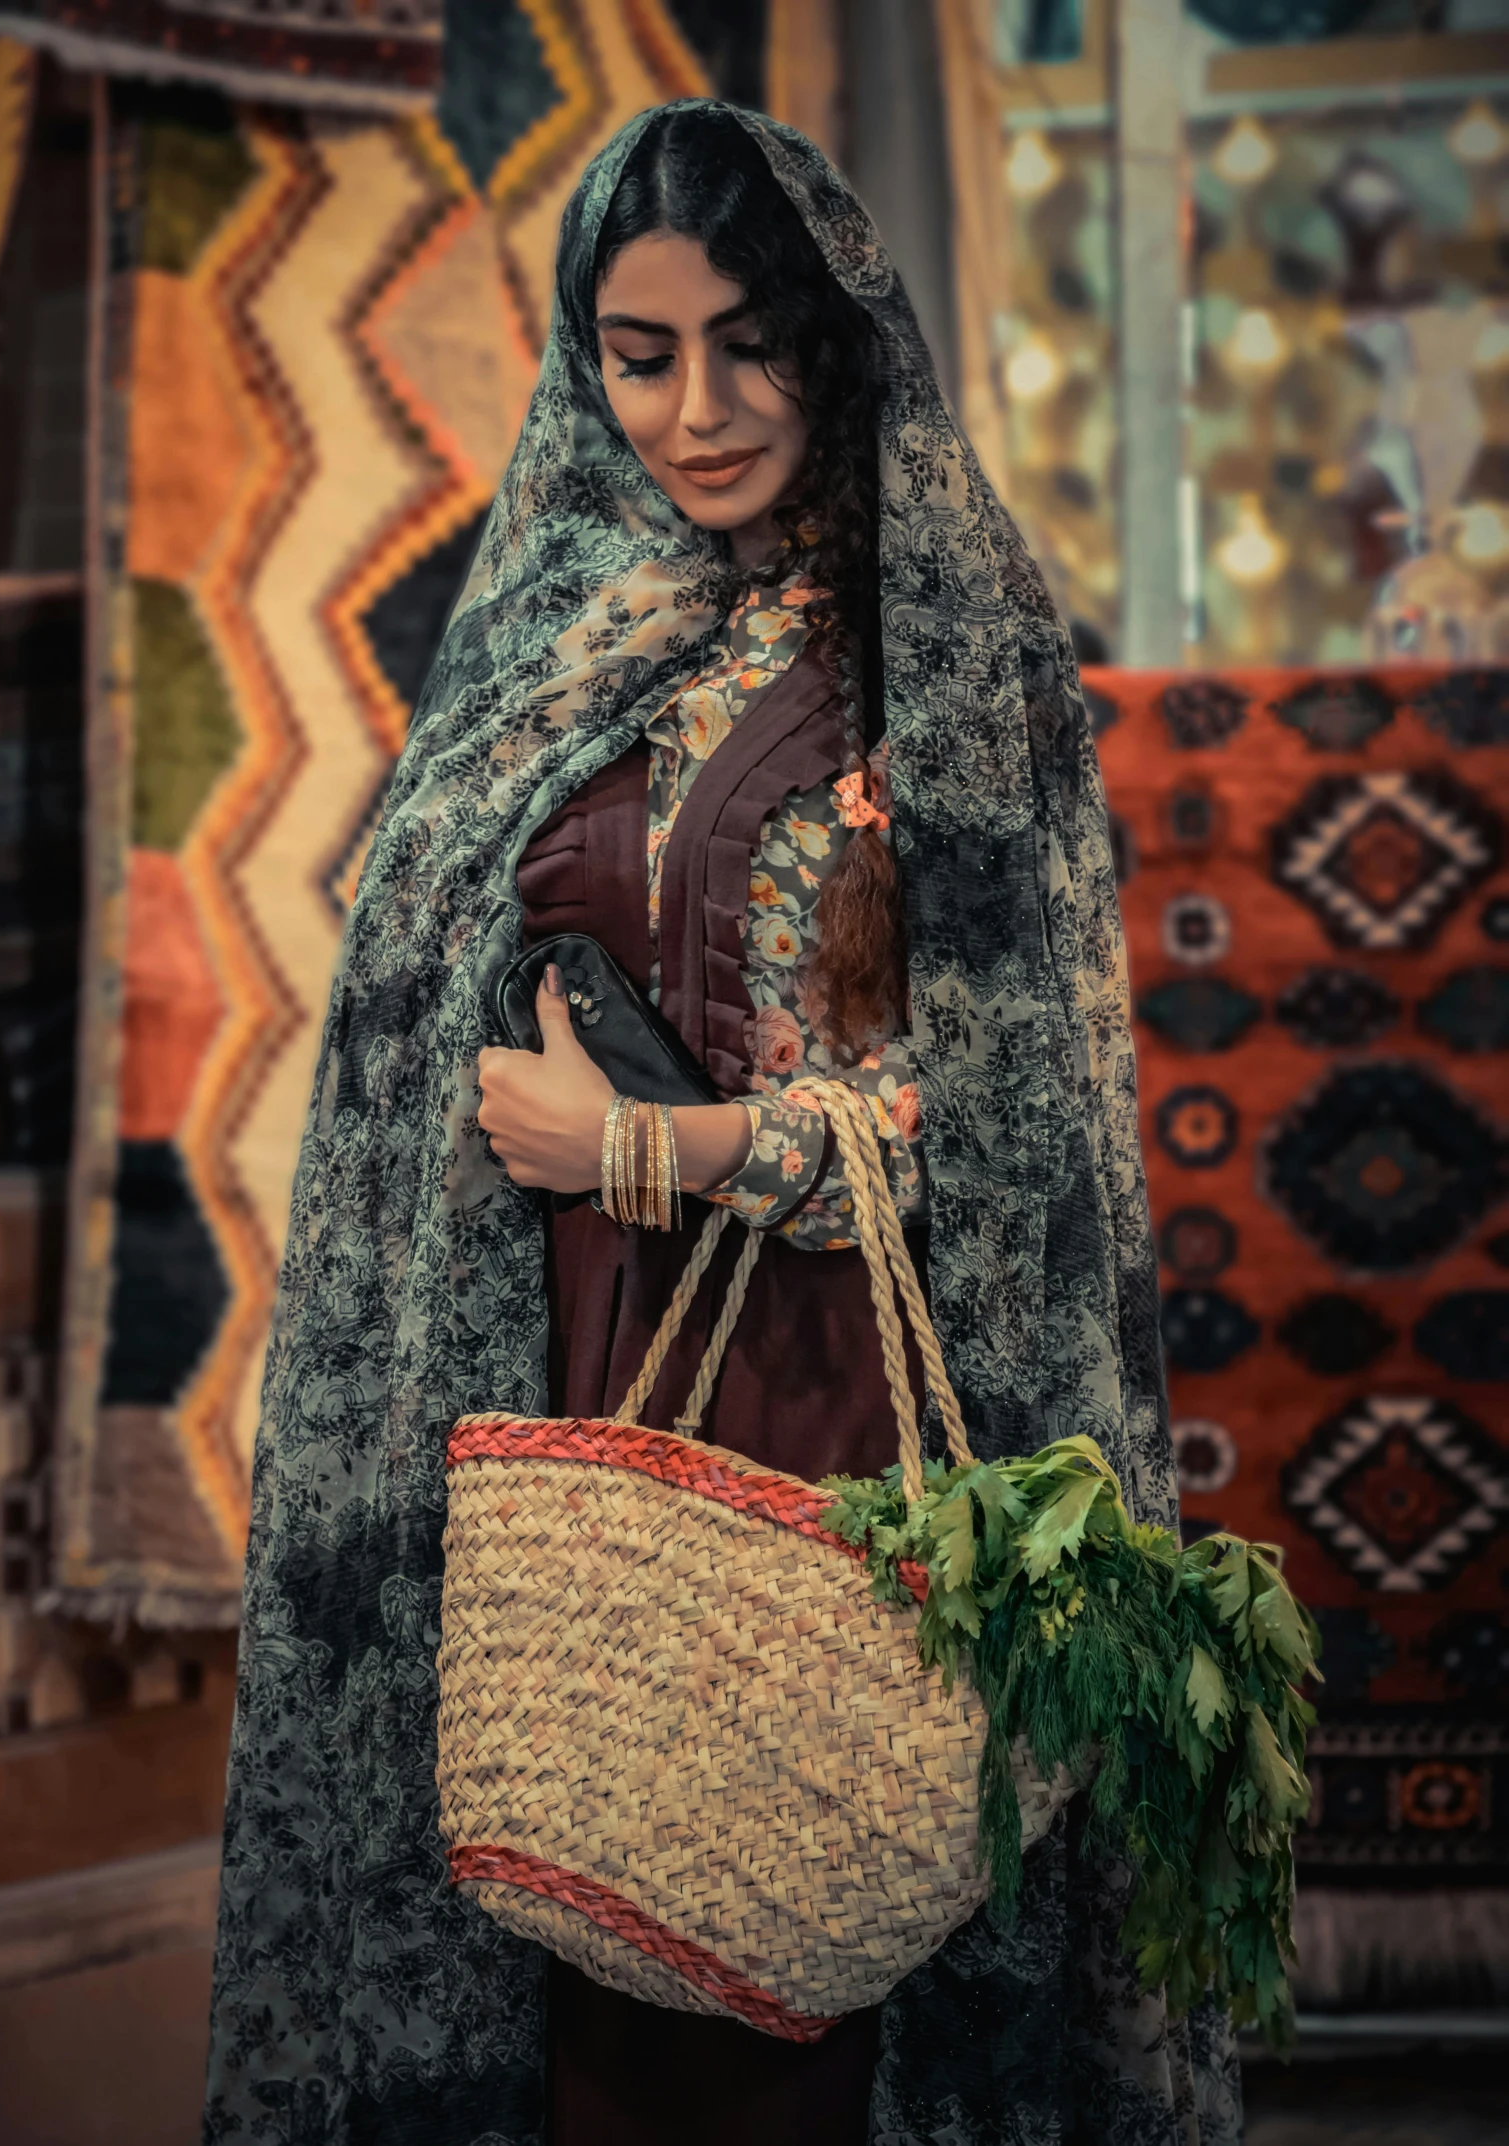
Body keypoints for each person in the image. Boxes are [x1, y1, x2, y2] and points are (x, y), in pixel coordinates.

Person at [204, 102, 1238, 2146]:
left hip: (846, 1408)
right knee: (578, 1955)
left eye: (753, 342)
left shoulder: (950, 664)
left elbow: (1013, 1129)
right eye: (640, 348)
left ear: (843, 337)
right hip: (569, 1385)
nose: (699, 408)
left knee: (808, 1956)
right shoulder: (548, 645)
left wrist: (656, 1154)